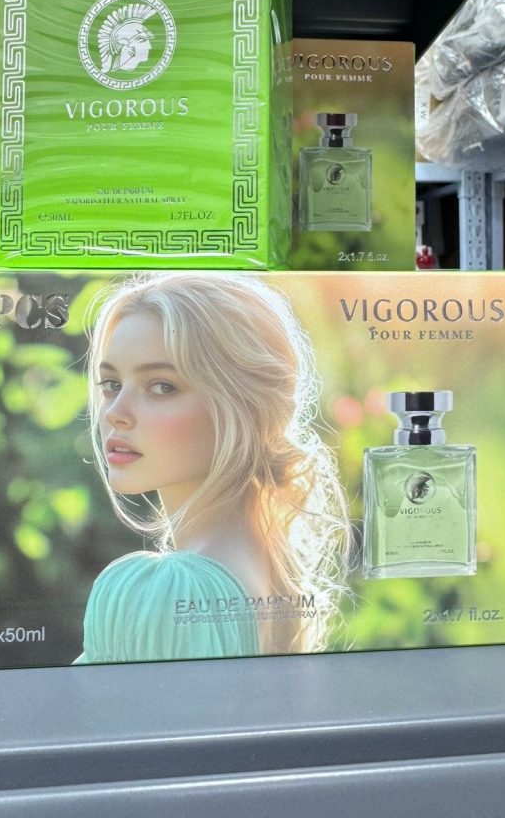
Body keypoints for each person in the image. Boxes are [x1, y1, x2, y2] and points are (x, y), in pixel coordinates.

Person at [76, 272, 352, 664]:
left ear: (241, 406)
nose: (115, 413)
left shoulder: (163, 592)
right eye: (111, 384)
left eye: (161, 386)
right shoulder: (270, 575)